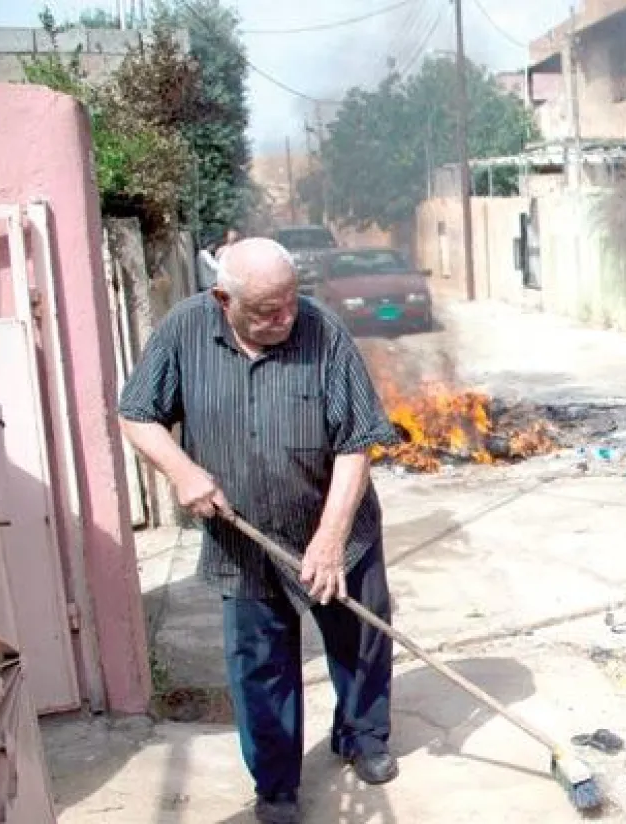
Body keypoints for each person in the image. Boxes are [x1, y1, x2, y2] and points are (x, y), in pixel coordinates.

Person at [118, 237, 401, 824]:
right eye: (268, 310)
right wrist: (182, 471)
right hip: (244, 540)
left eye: (292, 301)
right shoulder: (183, 331)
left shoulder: (323, 332)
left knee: (359, 640)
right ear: (224, 299)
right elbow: (137, 413)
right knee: (260, 665)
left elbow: (356, 443)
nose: (286, 318)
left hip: (335, 528)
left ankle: (363, 736)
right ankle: (276, 784)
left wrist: (330, 539)